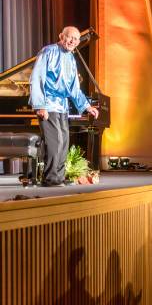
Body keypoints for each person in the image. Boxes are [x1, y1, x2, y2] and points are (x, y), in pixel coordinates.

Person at [29, 26, 99, 186]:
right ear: (61, 36)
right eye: (70, 37)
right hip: (48, 104)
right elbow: (37, 78)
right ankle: (51, 179)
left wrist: (87, 106)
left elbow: (74, 88)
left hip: (62, 107)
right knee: (56, 142)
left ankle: (58, 178)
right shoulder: (48, 51)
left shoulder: (71, 59)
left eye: (76, 39)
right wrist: (40, 105)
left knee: (64, 141)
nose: (73, 41)